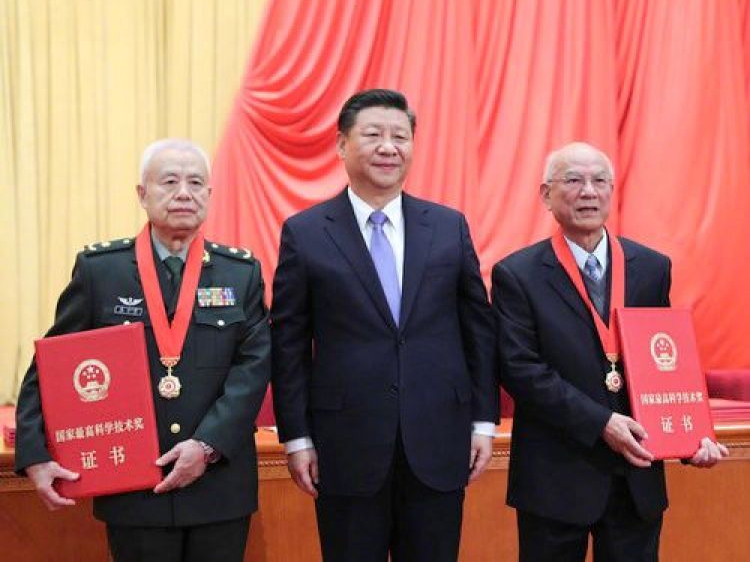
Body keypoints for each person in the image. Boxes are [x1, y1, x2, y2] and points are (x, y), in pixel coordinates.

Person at [15, 138, 271, 562]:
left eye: (195, 183)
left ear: (209, 195)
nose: (184, 193)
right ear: (142, 194)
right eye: (169, 182)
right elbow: (53, 365)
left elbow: (254, 367)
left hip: (218, 484)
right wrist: (34, 452)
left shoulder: (240, 272)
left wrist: (207, 445)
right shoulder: (101, 270)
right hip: (134, 488)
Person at [271, 88, 498, 562]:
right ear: (341, 144)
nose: (388, 147)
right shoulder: (306, 233)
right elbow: (288, 344)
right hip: (344, 445)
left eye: (400, 136)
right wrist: (296, 437)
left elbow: (478, 330)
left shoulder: (449, 226)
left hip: (439, 438)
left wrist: (482, 421)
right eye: (373, 135)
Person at [491, 141, 728, 562]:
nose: (588, 191)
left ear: (612, 191)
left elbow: (663, 361)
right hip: (556, 477)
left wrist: (690, 437)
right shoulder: (517, 274)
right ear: (546, 194)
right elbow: (520, 369)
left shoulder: (651, 268)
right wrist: (601, 423)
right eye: (573, 180)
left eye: (600, 181)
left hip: (636, 476)